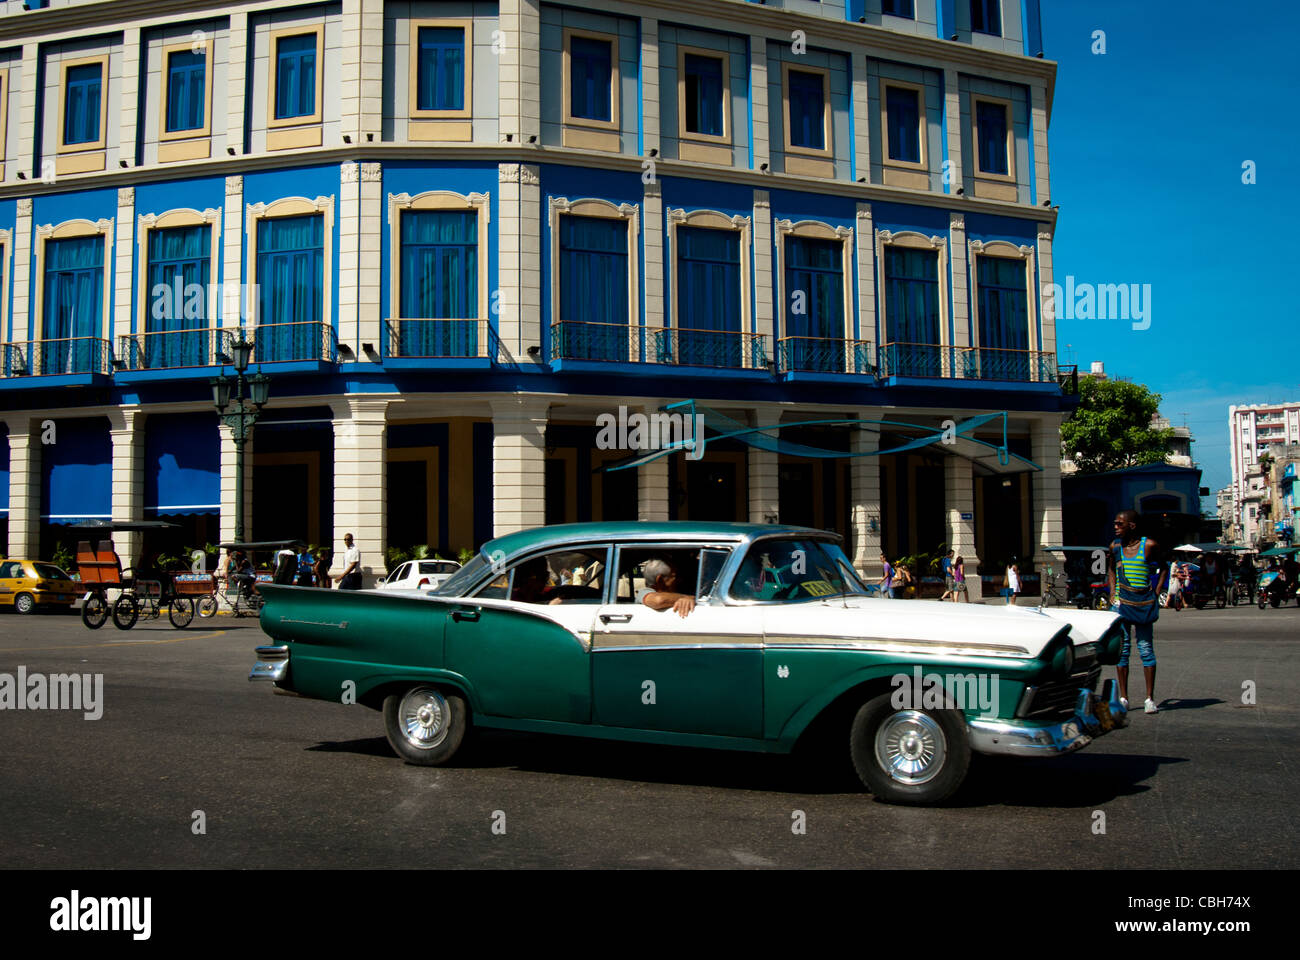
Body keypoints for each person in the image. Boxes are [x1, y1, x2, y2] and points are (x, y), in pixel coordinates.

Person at [1109, 509, 1162, 714]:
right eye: (1115, 524)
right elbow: (1112, 568)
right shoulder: (1115, 547)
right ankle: (1124, 697)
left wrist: (1156, 592)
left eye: (1119, 524)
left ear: (1132, 526)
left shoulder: (1149, 546)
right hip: (1122, 605)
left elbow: (1164, 567)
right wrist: (1113, 591)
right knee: (1122, 652)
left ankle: (1149, 698)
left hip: (1143, 604)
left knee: (1146, 649)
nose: (1115, 527)